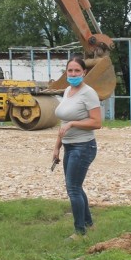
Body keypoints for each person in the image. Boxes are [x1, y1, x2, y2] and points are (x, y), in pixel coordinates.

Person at [52, 57, 103, 240]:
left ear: (84, 72)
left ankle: (80, 232)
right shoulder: (68, 90)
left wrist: (73, 123)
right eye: (70, 71)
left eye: (77, 71)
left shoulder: (88, 93)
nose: (73, 74)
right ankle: (89, 224)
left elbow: (97, 122)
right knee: (76, 187)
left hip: (84, 146)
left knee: (73, 188)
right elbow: (63, 122)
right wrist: (57, 147)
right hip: (68, 146)